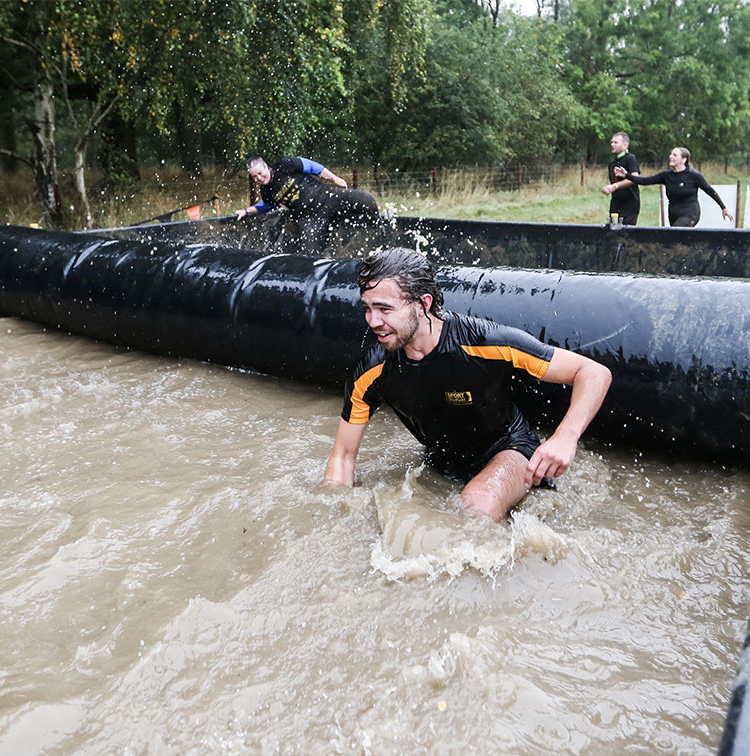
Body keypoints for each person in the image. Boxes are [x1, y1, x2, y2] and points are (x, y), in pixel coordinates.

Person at [323, 248, 612, 523]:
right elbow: (343, 455)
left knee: (475, 507)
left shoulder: (485, 342)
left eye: (384, 309)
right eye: (367, 309)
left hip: (509, 449)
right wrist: (334, 518)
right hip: (442, 461)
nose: (373, 321)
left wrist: (565, 438)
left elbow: (594, 372)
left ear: (423, 304)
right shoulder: (371, 370)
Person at [235, 156, 378, 252]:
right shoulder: (266, 191)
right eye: (254, 177)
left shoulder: (285, 164)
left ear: (266, 166)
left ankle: (377, 236)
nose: (259, 178)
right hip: (309, 217)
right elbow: (268, 206)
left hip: (327, 197)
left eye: (260, 173)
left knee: (367, 200)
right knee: (311, 251)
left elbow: (312, 167)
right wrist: (246, 211)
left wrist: (334, 178)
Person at [615, 147, 734, 227]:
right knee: (678, 242)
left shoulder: (694, 176)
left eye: (675, 155)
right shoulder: (666, 175)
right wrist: (627, 175)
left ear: (684, 159)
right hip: (673, 214)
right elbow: (645, 181)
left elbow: (710, 190)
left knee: (675, 234)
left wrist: (723, 207)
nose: (670, 157)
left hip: (690, 213)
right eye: (670, 154)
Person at [601, 131, 640, 225]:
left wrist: (614, 186)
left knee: (626, 236)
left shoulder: (630, 158)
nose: (612, 144)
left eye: (615, 142)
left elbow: (635, 177)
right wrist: (608, 188)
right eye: (611, 142)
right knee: (613, 234)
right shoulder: (612, 164)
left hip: (630, 205)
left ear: (625, 145)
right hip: (615, 205)